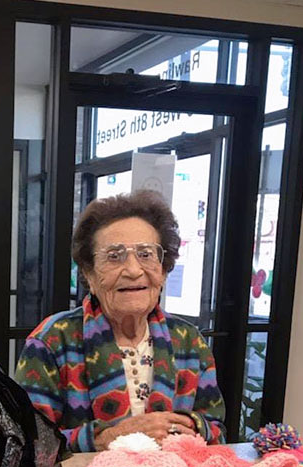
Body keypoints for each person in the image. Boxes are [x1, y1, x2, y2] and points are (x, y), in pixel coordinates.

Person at [15, 191, 226, 451]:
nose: (134, 270)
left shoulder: (189, 340)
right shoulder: (52, 340)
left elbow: (217, 431)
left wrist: (192, 427)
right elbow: (27, 441)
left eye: (146, 254)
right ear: (89, 274)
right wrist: (109, 437)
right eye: (114, 256)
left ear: (163, 269)